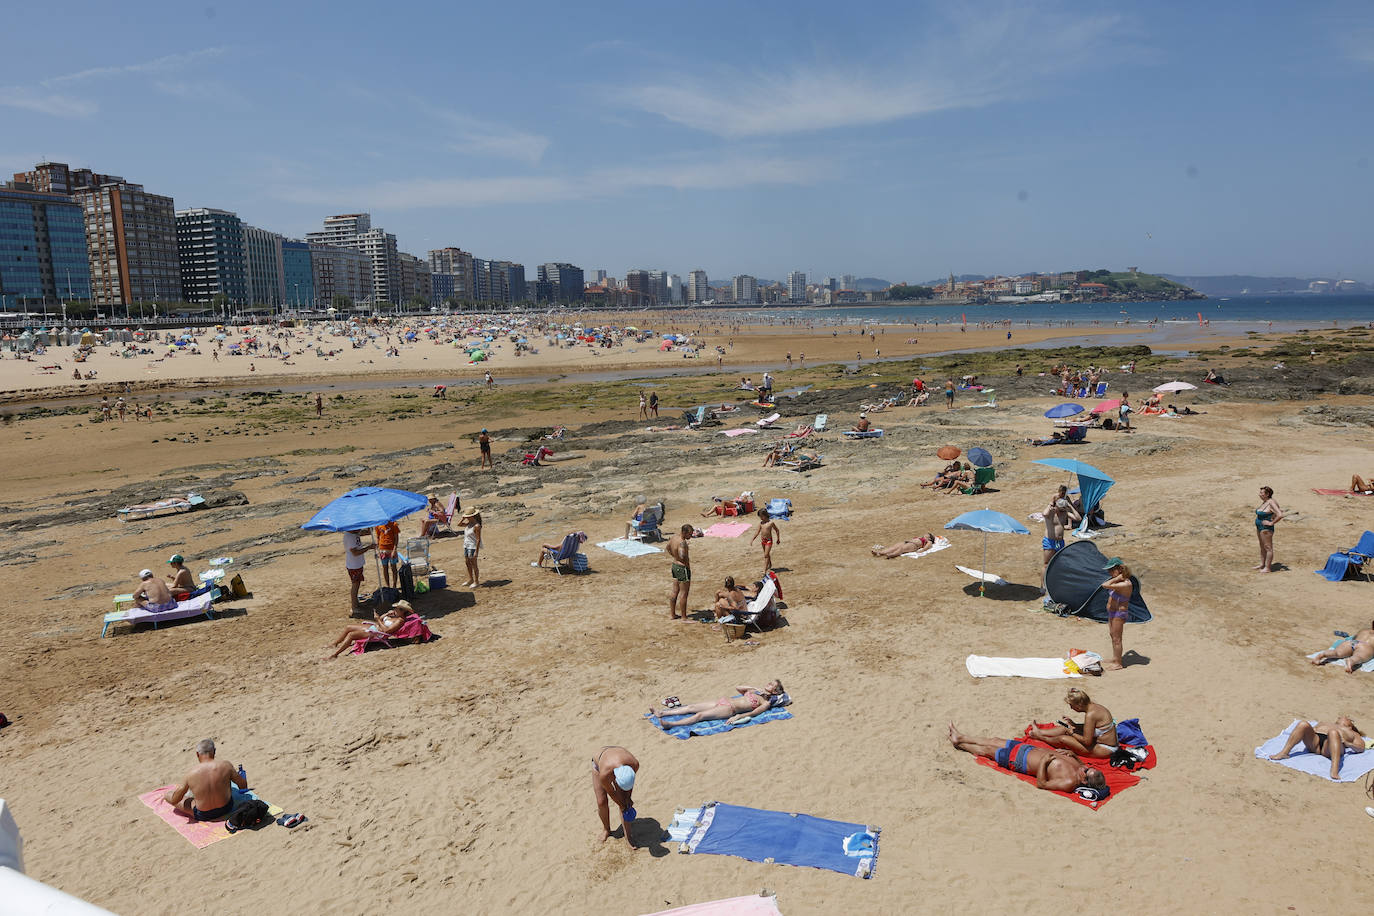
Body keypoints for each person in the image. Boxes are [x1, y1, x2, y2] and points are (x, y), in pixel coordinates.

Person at [948, 724, 1109, 795]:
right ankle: (961, 736)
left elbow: (1042, 784)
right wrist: (1073, 756)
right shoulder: (1080, 767)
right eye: (1088, 767)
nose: (1085, 767)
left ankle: (960, 744)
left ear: (1085, 782)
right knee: (994, 740)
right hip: (1027, 749)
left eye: (1087, 771)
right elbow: (1082, 764)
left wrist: (1044, 763)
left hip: (1019, 761)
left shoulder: (1068, 782)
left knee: (987, 750)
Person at [163, 738, 246, 821]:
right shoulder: (226, 765)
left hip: (203, 815)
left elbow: (175, 800)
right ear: (214, 751)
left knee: (168, 795)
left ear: (197, 754)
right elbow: (243, 786)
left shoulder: (191, 773)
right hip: (226, 808)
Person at [1028, 688, 1119, 757]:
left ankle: (1040, 737)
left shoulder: (1090, 715)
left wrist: (1071, 733)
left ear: (1079, 706)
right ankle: (1039, 732)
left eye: (1072, 706)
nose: (1071, 708)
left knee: (1063, 739)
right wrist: (1074, 725)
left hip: (1105, 749)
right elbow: (1093, 727)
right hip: (1099, 742)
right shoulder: (1095, 707)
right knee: (1065, 728)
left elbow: (1087, 741)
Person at [648, 680, 784, 726]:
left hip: (730, 709)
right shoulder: (757, 692)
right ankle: (662, 713)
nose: (769, 683)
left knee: (699, 715)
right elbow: (738, 687)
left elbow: (754, 713)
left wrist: (739, 717)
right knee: (691, 707)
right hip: (723, 701)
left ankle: (671, 724)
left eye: (772, 685)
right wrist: (754, 688)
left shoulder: (765, 702)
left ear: (775, 692)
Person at [1267, 717, 1365, 780]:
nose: (1342, 717)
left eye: (1348, 718)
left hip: (1331, 747)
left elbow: (1361, 748)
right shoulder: (1324, 722)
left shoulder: (1352, 732)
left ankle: (1334, 769)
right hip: (1315, 743)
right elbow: (1311, 730)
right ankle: (1284, 752)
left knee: (1333, 732)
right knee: (1303, 724)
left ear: (1351, 725)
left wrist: (1347, 743)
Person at [591, 746, 639, 848]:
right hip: (599, 763)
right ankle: (606, 829)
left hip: (616, 755)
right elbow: (612, 793)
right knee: (601, 801)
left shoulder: (634, 764)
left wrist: (627, 798)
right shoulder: (605, 774)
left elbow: (629, 785)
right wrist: (621, 804)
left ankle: (628, 837)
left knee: (626, 802)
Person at [1101, 557, 1133, 671]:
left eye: (1111, 570)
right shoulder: (1119, 581)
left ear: (1119, 569)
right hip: (1112, 612)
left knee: (1117, 639)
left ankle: (1118, 663)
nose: (1109, 573)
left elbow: (1105, 584)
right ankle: (1115, 658)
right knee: (1112, 635)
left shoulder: (1125, 584)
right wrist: (1118, 577)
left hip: (1119, 613)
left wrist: (1118, 577)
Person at [1042, 486, 1081, 571]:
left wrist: (1070, 506)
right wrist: (1050, 503)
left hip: (1060, 542)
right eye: (1061, 508)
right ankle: (1043, 585)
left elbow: (1078, 518)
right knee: (1046, 565)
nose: (1063, 510)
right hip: (1050, 541)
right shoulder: (1051, 513)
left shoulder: (1065, 513)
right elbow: (1044, 514)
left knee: (1058, 564)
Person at [667, 524, 694, 620]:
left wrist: (675, 557)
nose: (690, 536)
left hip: (675, 566)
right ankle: (684, 617)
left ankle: (672, 614)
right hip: (682, 569)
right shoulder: (682, 543)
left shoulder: (674, 538)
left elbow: (668, 547)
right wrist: (684, 559)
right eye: (689, 534)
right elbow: (682, 555)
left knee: (675, 591)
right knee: (684, 593)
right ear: (684, 532)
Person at [343, 528, 374, 612]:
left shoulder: (354, 533)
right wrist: (369, 547)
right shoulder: (349, 537)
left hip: (357, 564)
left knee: (357, 584)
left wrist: (369, 526)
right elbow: (355, 553)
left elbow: (367, 532)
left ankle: (356, 603)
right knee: (355, 585)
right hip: (354, 565)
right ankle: (354, 607)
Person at [1254, 485, 1283, 573]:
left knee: (1268, 547)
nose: (1259, 494)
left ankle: (1268, 568)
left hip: (1266, 528)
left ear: (1267, 494)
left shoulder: (1271, 502)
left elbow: (1280, 514)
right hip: (1259, 526)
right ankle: (1262, 564)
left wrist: (1271, 522)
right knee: (1262, 546)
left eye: (1262, 493)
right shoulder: (1265, 502)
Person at [751, 508, 780, 575]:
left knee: (766, 555)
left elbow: (777, 530)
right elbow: (757, 532)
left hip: (769, 541)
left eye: (761, 516)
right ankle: (770, 565)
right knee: (767, 554)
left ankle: (764, 570)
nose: (760, 518)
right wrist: (753, 539)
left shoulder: (771, 523)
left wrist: (778, 539)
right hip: (763, 541)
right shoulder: (761, 523)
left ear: (765, 515)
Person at [459, 507, 482, 588]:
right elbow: (459, 525)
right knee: (467, 562)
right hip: (466, 545)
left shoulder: (476, 526)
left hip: (472, 546)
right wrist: (462, 519)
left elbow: (478, 539)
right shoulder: (469, 524)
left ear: (472, 516)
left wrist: (476, 551)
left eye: (468, 516)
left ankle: (476, 581)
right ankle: (470, 579)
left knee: (474, 564)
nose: (466, 517)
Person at [374, 519, 400, 589]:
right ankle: (388, 586)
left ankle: (394, 586)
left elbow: (396, 538)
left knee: (393, 568)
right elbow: (378, 537)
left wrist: (394, 550)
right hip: (382, 550)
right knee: (385, 568)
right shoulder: (378, 525)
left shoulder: (393, 524)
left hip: (391, 550)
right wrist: (378, 550)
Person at [871, 533, 939, 557]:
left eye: (927, 534)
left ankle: (892, 555)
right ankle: (879, 553)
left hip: (914, 545)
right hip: (907, 542)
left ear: (929, 537)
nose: (925, 534)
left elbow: (927, 547)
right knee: (893, 547)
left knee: (901, 549)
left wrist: (922, 550)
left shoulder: (928, 541)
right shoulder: (921, 537)